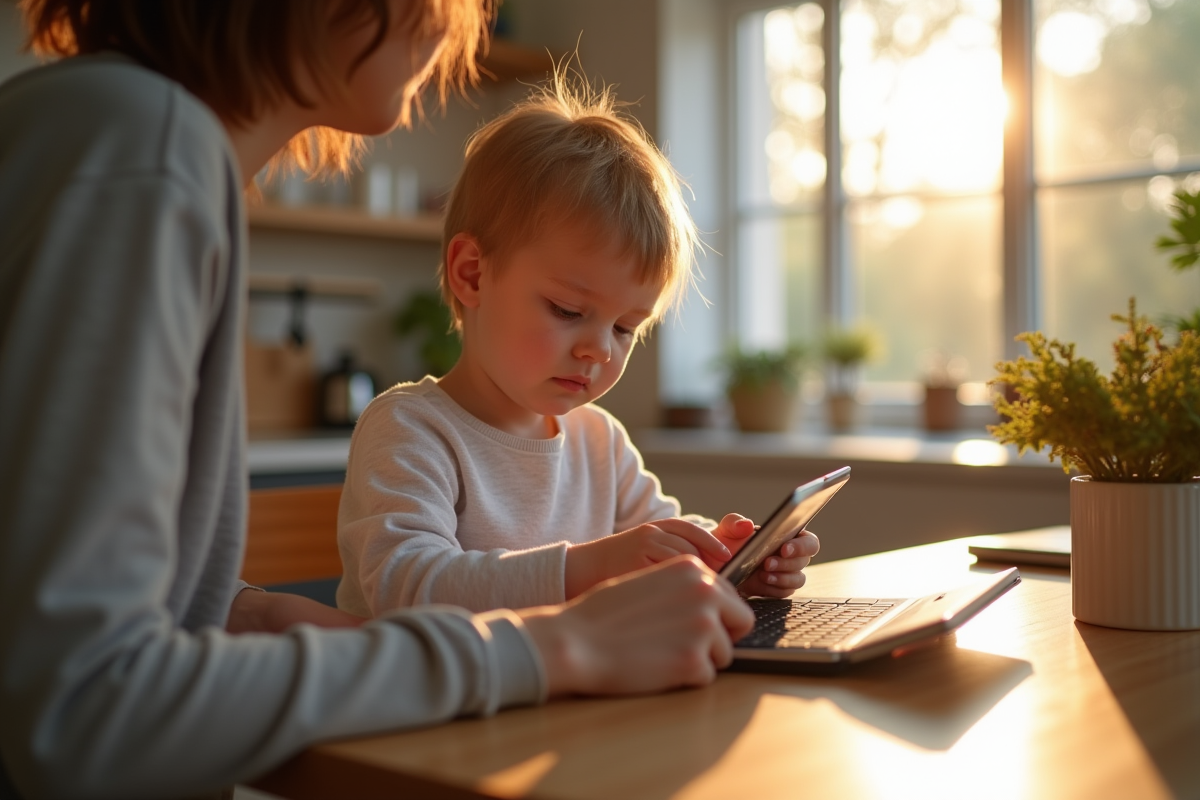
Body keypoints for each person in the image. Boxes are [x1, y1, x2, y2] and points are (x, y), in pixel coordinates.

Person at [0, 2, 756, 798]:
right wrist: (560, 647)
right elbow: (81, 712)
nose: (457, 22)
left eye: (627, 327)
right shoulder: (142, 155)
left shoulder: (120, 136)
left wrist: (242, 611)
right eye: (568, 309)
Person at [335, 77, 822, 619]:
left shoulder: (598, 441)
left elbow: (660, 537)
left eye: (626, 328)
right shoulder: (410, 429)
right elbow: (406, 585)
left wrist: (732, 556)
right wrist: (590, 566)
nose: (600, 351)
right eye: (567, 311)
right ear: (472, 274)